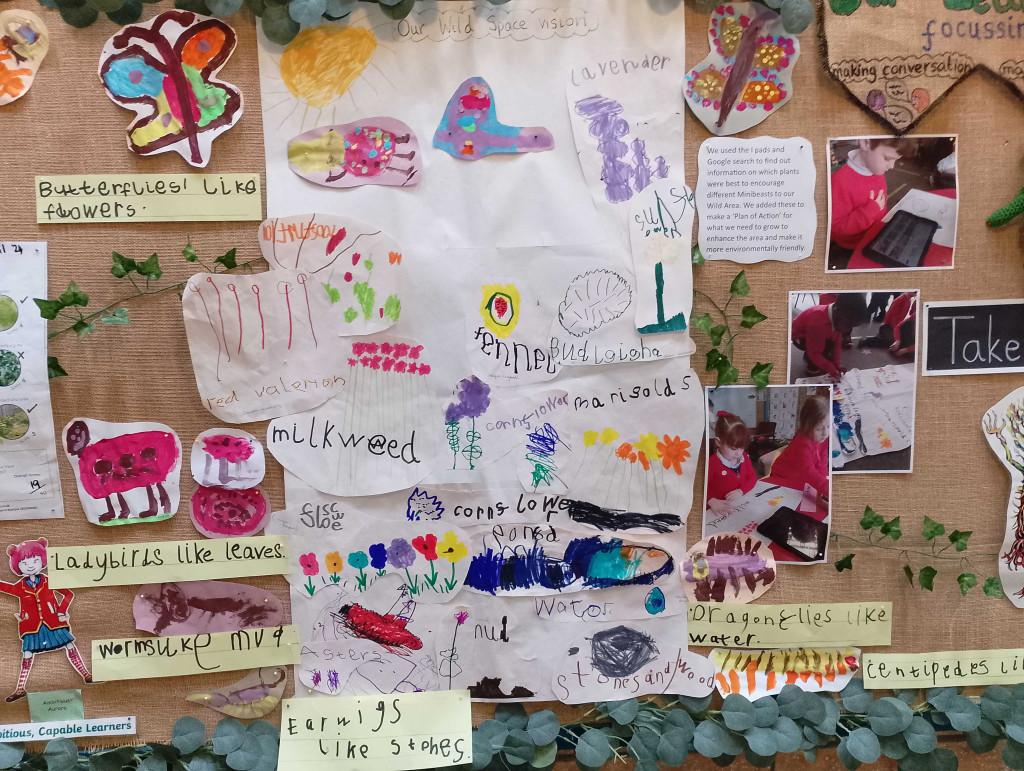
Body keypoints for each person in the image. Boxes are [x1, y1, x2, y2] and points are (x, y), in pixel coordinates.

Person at [0, 538, 92, 702]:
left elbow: (68, 594)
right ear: (18, 566)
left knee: (69, 645)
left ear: (42, 560)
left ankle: (86, 675)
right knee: (27, 654)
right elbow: (4, 587)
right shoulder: (20, 587)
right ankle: (20, 688)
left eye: (35, 561)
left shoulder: (49, 581)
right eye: (24, 563)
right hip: (32, 626)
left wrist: (61, 611)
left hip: (53, 622)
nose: (30, 565)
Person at [829, 138, 909, 252]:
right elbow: (836, 226)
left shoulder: (875, 169)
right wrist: (869, 211)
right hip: (855, 245)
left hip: (877, 232)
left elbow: (881, 201)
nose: (892, 166)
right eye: (887, 158)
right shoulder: (839, 182)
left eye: (896, 160)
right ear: (866, 143)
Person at [770, 395, 830, 505]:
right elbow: (808, 472)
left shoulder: (823, 438)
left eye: (829, 426)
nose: (825, 433)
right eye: (819, 428)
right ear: (807, 426)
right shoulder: (802, 443)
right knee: (792, 505)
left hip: (800, 476)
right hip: (781, 478)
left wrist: (823, 487)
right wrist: (826, 487)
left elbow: (822, 463)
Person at [791, 294, 869, 379]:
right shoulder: (817, 323)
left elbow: (837, 343)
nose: (848, 330)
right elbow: (815, 353)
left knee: (829, 344)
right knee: (822, 348)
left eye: (851, 327)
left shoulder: (838, 317)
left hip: (813, 333)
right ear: (837, 311)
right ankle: (811, 366)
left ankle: (811, 355)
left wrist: (837, 364)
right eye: (848, 324)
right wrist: (831, 369)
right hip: (799, 337)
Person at [705, 411, 758, 515]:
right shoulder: (712, 463)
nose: (738, 453)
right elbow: (700, 488)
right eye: (733, 448)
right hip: (717, 511)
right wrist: (711, 500)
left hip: (740, 505)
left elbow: (752, 477)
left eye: (742, 447)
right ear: (718, 442)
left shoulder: (744, 457)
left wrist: (741, 491)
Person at [859, 291, 917, 356]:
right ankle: (864, 341)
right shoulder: (901, 299)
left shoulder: (908, 300)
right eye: (915, 293)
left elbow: (908, 314)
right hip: (889, 325)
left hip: (894, 325)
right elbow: (892, 314)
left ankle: (870, 340)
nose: (916, 294)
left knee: (892, 340)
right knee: (886, 341)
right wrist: (891, 327)